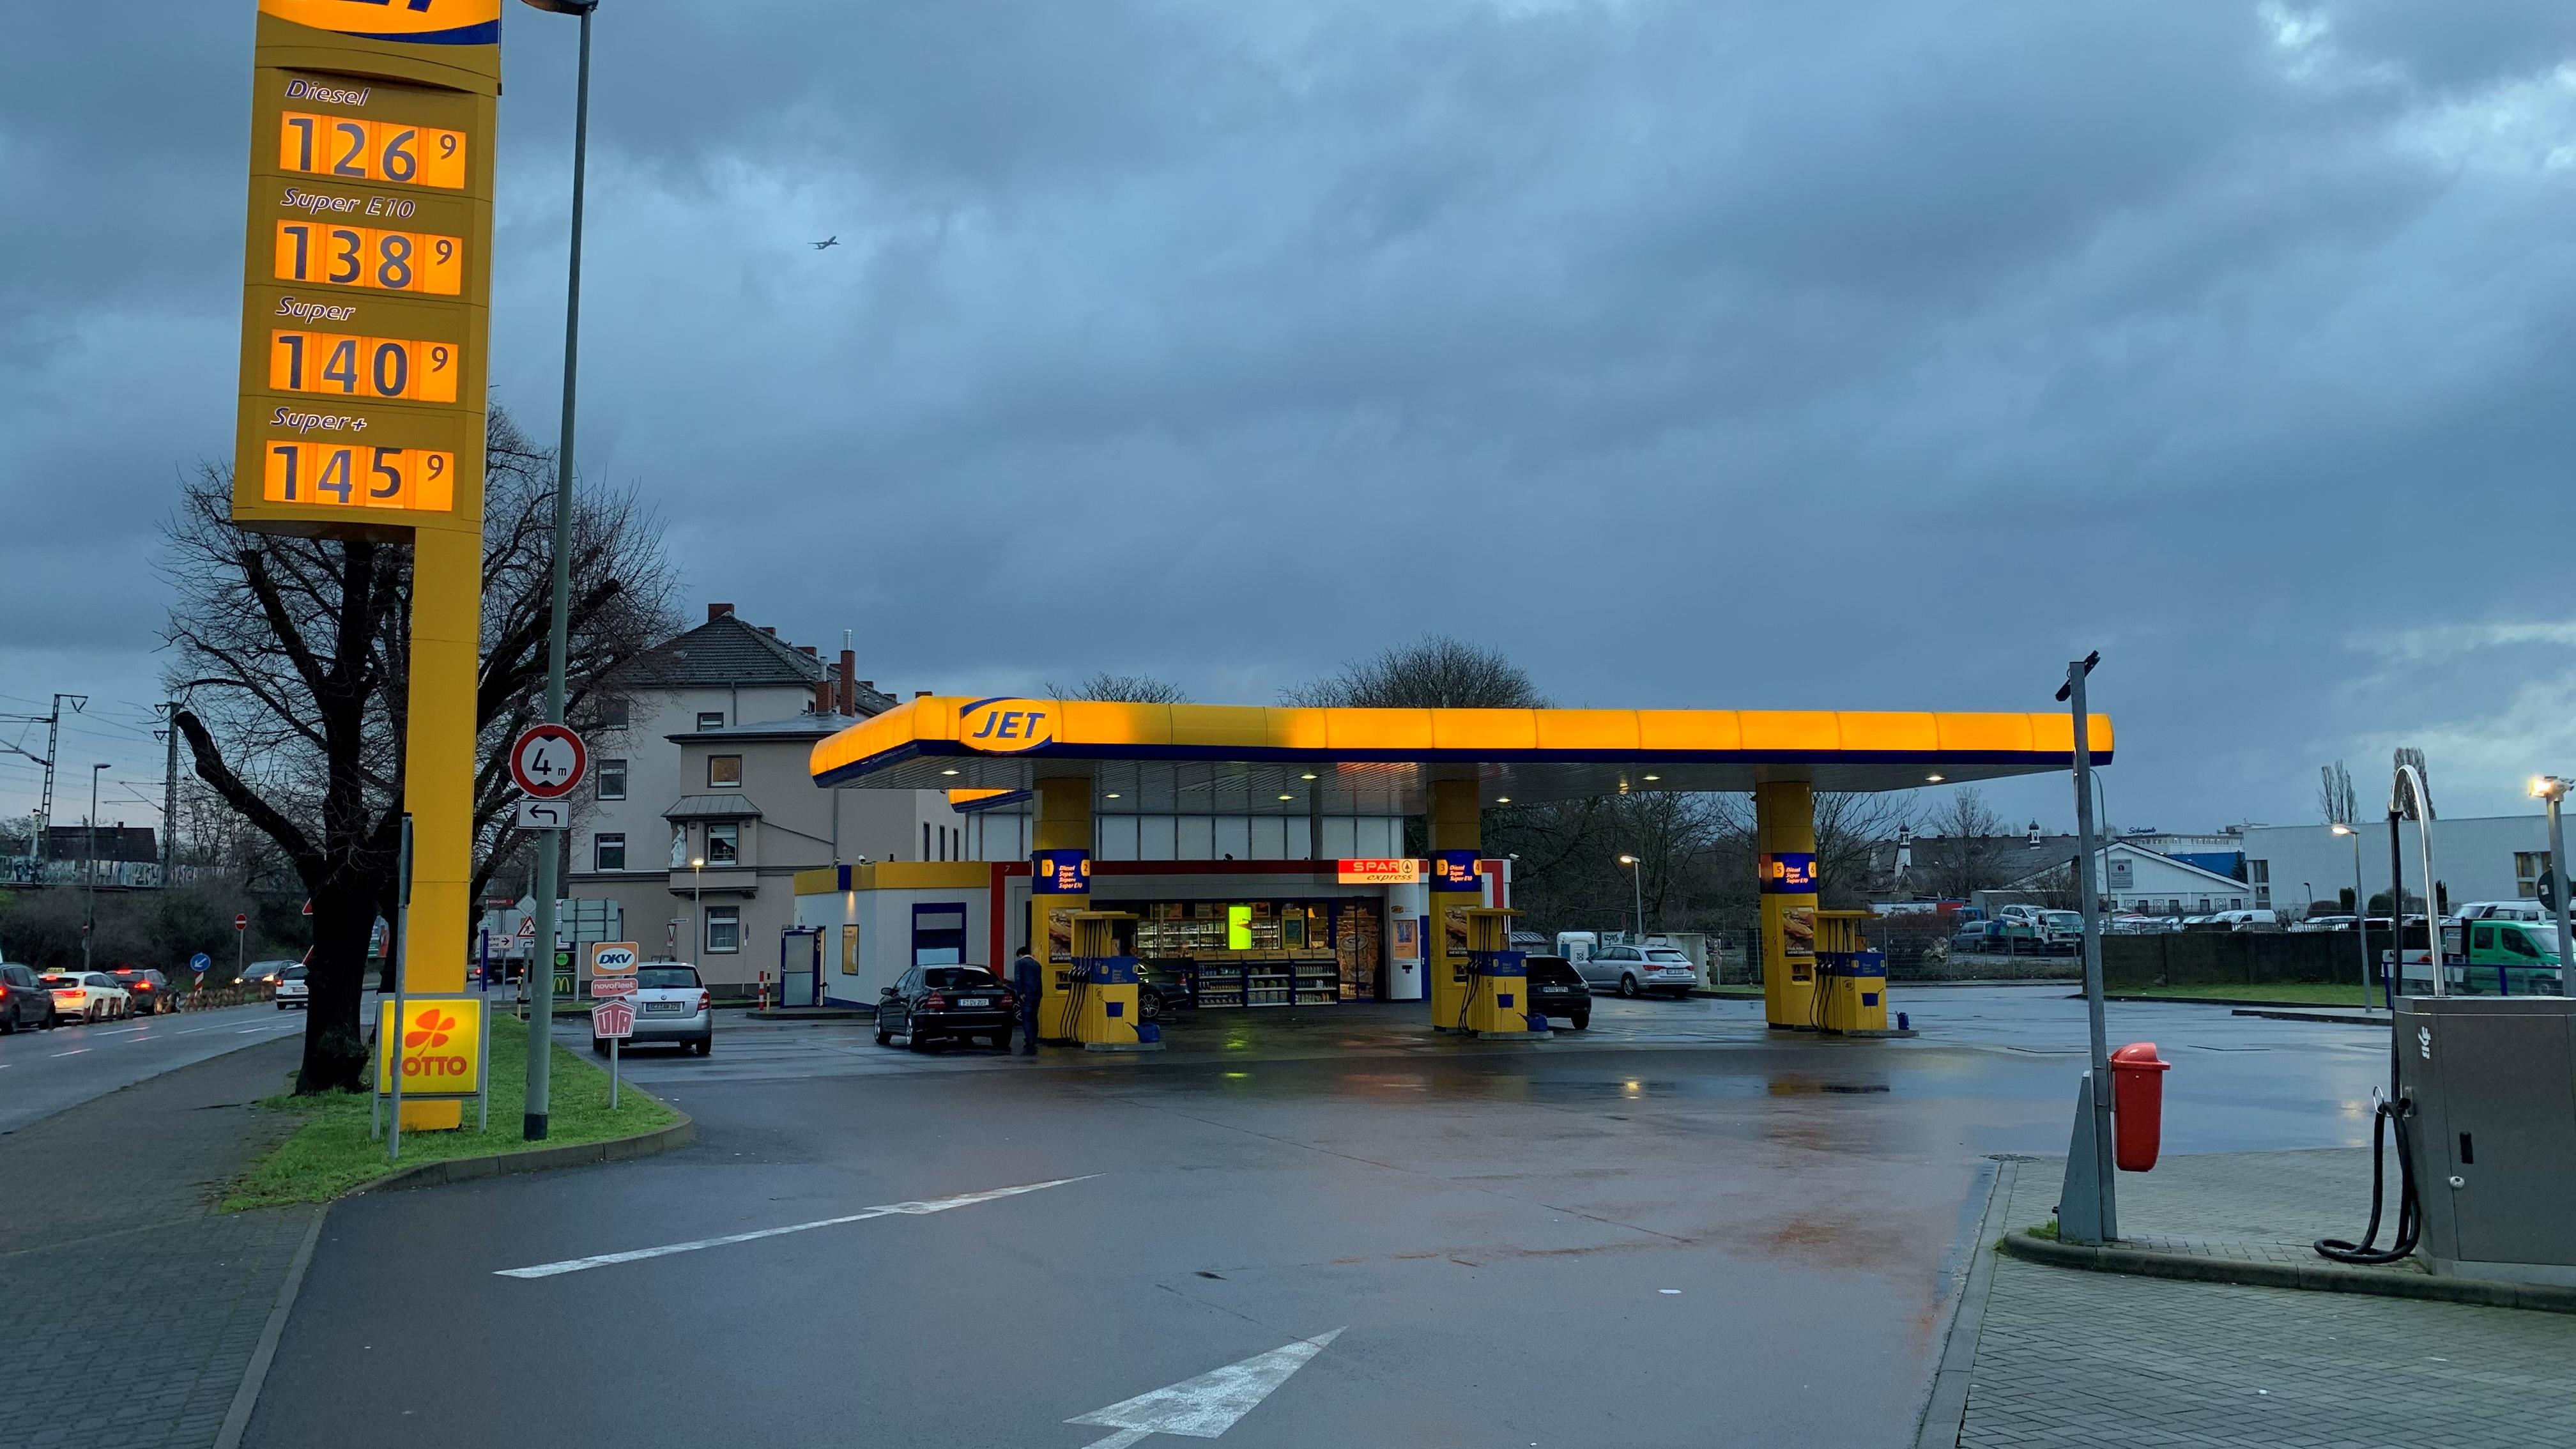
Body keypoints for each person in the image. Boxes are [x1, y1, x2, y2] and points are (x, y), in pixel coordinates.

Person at [1011, 944, 1043, 1057]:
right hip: (1037, 994)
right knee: (1034, 1016)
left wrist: (1020, 992)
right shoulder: (1037, 964)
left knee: (1027, 1018)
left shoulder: (1019, 964)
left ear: (1020, 955)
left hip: (1026, 995)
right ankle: (1034, 1038)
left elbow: (1018, 978)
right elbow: (1040, 981)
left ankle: (1029, 1039)